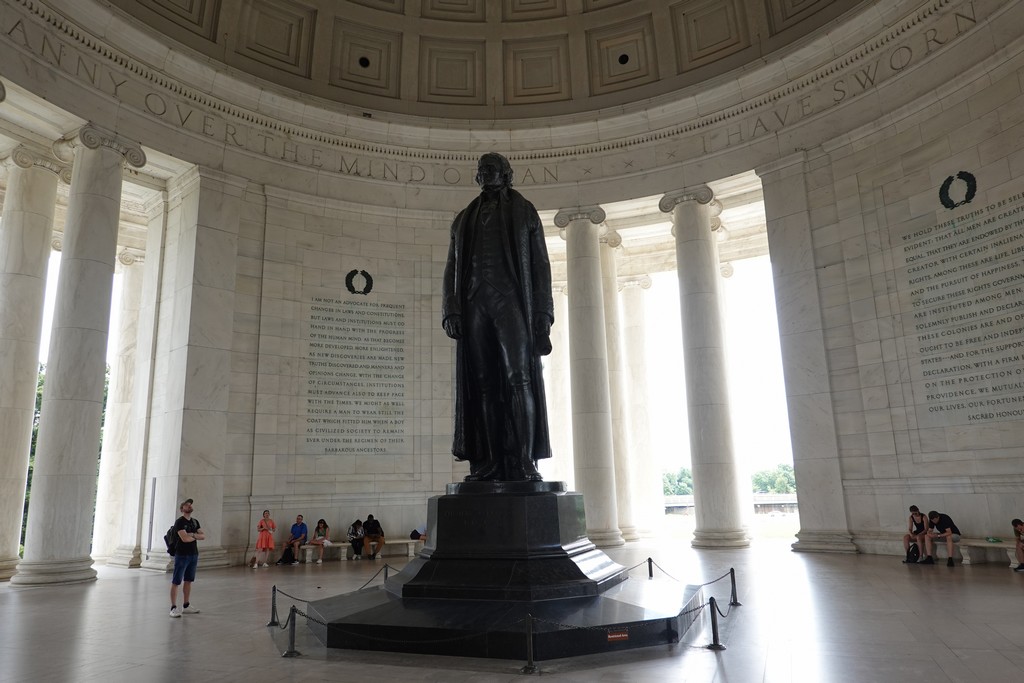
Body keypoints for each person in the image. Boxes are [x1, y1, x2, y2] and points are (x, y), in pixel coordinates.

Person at [441, 152, 554, 482]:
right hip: (476, 303)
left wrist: (543, 313)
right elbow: (451, 268)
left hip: (512, 302)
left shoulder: (525, 211)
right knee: (485, 386)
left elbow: (540, 265)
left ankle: (523, 460)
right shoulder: (464, 219)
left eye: (492, 169)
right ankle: (489, 462)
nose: (485, 174)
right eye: (481, 170)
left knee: (519, 378)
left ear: (507, 174)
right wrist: (451, 308)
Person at [169, 498, 205, 618]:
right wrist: (195, 536)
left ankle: (186, 605)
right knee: (176, 581)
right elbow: (184, 539)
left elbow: (203, 536)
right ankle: (173, 607)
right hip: (182, 554)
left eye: (190, 505)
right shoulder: (179, 522)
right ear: (182, 509)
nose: (189, 506)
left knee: (189, 580)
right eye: (186, 505)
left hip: (193, 554)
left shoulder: (195, 522)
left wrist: (192, 535)